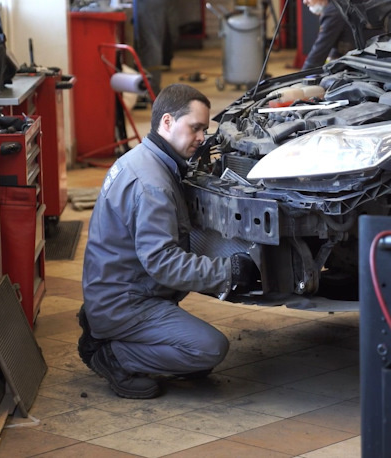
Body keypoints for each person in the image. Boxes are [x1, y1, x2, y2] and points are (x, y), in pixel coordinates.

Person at [78, 84, 261, 399]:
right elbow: (164, 265)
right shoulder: (153, 185)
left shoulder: (143, 158)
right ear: (166, 122)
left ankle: (106, 330)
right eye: (196, 128)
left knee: (192, 362)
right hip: (127, 302)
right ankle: (113, 355)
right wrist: (228, 271)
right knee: (208, 350)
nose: (202, 137)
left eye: (204, 129)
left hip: (116, 290)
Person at [301, 0, 355, 70]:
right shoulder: (342, 5)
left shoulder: (334, 11)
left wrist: (302, 77)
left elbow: (317, 55)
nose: (305, 2)